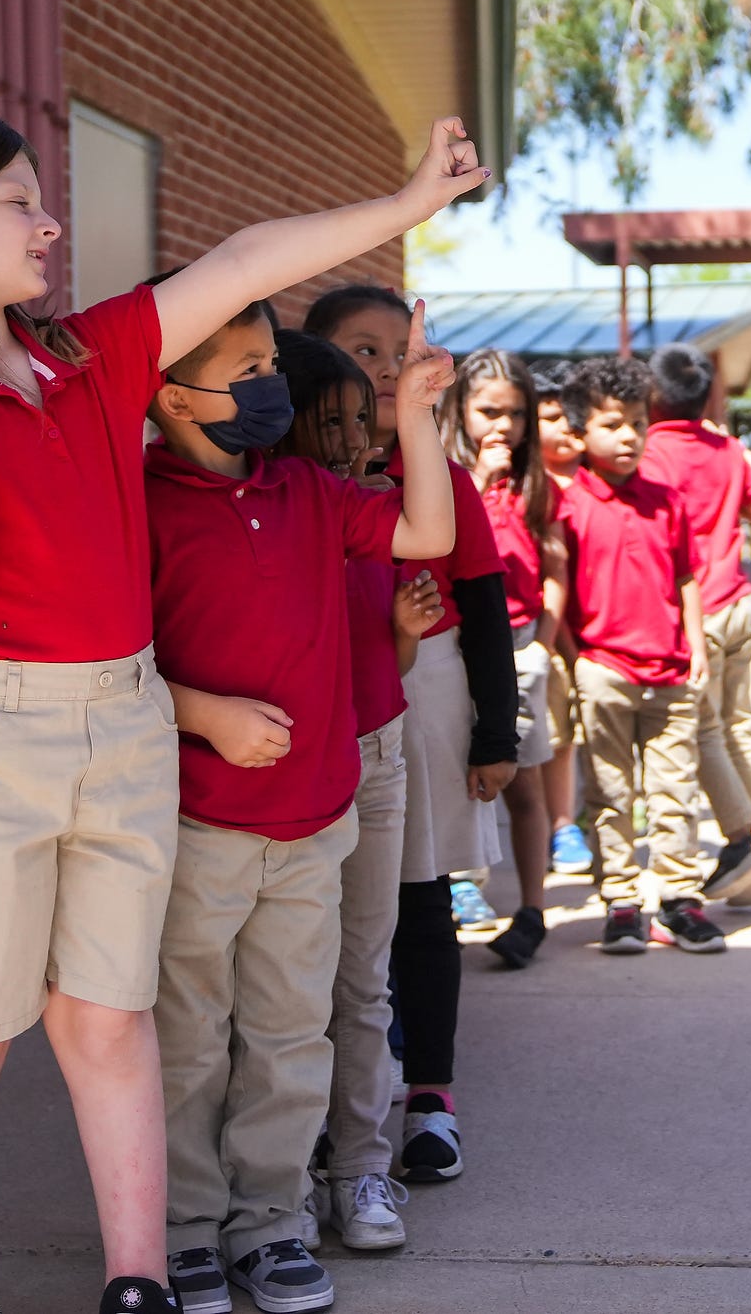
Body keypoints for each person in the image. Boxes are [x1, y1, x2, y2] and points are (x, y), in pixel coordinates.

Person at [0, 102, 485, 1314]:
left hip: (121, 721)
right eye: (17, 199)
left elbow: (238, 264)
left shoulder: (88, 357)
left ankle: (142, 1278)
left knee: (112, 1019)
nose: (48, 217)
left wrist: (404, 209)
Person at [144, 295, 454, 1314]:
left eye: (267, 360)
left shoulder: (314, 492)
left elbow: (423, 528)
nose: (266, 383)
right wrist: (206, 715)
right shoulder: (138, 503)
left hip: (315, 819)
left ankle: (271, 1221)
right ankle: (186, 1227)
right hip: (197, 824)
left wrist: (414, 409)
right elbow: (111, 663)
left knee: (287, 1033)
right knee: (189, 1038)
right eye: (240, 367)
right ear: (170, 393)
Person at [305, 287, 518, 1186]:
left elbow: (482, 607)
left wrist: (496, 730)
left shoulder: (445, 482)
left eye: (400, 352)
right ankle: (321, 1104)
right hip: (314, 696)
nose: (387, 369)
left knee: (419, 905)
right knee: (317, 920)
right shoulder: (294, 482)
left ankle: (429, 1097)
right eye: (363, 349)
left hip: (424, 697)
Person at [264, 329, 429, 1255]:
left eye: (362, 423)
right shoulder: (283, 519)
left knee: (364, 981)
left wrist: (404, 630)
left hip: (377, 756)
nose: (349, 442)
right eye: (328, 423)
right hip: (291, 762)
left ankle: (363, 1165)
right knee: (281, 992)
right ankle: (278, 1181)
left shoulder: (377, 518)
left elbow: (385, 659)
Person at [557, 356, 721, 954]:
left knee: (675, 792)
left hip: (671, 670)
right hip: (604, 671)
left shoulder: (667, 499)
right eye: (611, 424)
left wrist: (697, 645)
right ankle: (622, 903)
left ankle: (680, 901)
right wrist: (581, 660)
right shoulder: (568, 506)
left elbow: (686, 578)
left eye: (635, 423)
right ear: (580, 434)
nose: (627, 435)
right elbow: (560, 592)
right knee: (609, 792)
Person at [440, 349, 575, 968]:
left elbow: (554, 567)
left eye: (516, 414)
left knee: (523, 783)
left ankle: (532, 910)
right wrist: (483, 483)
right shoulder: (443, 475)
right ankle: (455, 888)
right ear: (459, 408)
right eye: (490, 411)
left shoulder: (532, 485)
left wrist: (545, 642)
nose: (504, 426)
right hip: (454, 645)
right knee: (452, 780)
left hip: (519, 647)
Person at [639, 345, 751, 908]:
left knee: (704, 731)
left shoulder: (650, 453)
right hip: (740, 601)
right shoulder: (725, 449)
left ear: (652, 398)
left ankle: (743, 840)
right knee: (739, 726)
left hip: (695, 610)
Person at [530, 363, 594, 876]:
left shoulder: (598, 480)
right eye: (551, 416)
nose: (566, 427)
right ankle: (560, 822)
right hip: (550, 632)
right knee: (556, 733)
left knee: (586, 731)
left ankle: (584, 816)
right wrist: (558, 639)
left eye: (574, 417)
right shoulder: (533, 489)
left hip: (601, 633)